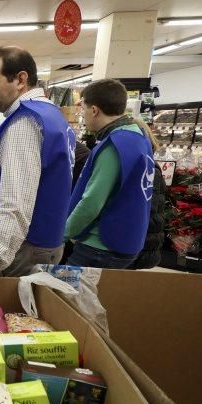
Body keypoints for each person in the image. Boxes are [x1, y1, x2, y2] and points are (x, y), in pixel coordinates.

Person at [0, 46, 75, 290]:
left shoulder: (24, 123)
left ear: (21, 79)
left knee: (4, 319)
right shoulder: (50, 114)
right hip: (43, 243)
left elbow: (17, 206)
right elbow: (41, 178)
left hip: (22, 250)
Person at [65, 79, 154, 269]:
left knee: (65, 296)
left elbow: (92, 202)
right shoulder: (138, 137)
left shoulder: (114, 145)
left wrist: (62, 234)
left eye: (84, 109)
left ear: (95, 110)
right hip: (128, 238)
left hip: (101, 245)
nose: (82, 114)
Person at [130, 119, 167, 270]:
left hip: (142, 244)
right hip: (143, 241)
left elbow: (148, 209)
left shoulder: (150, 168)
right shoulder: (148, 164)